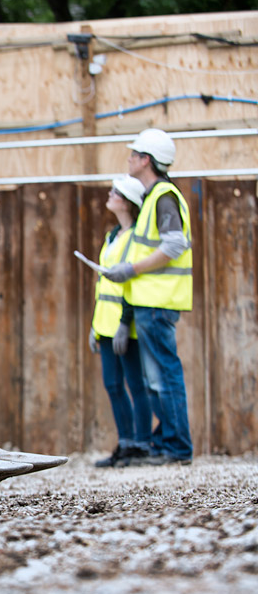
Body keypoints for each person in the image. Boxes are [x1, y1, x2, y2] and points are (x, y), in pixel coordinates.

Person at [102, 128, 193, 466]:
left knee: (165, 378)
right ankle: (164, 442)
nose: (128, 160)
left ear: (145, 160)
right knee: (157, 381)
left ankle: (177, 448)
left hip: (158, 302)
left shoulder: (163, 196)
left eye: (132, 155)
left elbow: (173, 245)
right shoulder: (156, 196)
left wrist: (133, 269)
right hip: (150, 303)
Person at [91, 176, 154, 467]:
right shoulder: (113, 235)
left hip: (124, 324)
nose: (110, 193)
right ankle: (126, 443)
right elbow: (104, 284)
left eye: (115, 192)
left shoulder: (135, 238)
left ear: (127, 201)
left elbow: (133, 281)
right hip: (105, 323)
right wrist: (94, 325)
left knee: (135, 384)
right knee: (113, 385)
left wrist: (125, 322)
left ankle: (141, 445)